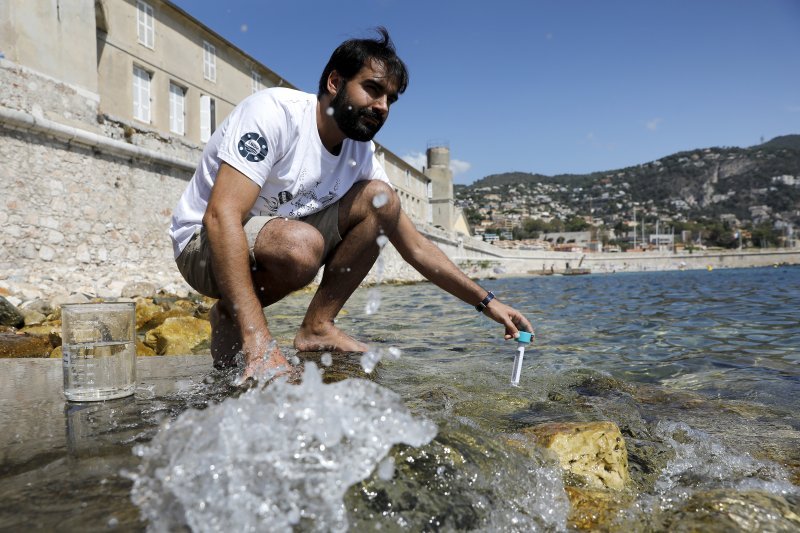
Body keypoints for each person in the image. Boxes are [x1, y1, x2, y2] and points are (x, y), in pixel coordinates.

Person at [169, 27, 533, 380]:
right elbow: (221, 216)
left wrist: (487, 302)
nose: (382, 107)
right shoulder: (274, 114)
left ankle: (318, 326)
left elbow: (416, 247)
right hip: (201, 244)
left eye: (390, 98)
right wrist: (258, 341)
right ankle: (239, 319)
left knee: (383, 202)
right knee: (301, 245)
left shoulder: (361, 153)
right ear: (334, 82)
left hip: (277, 241)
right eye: (373, 90)